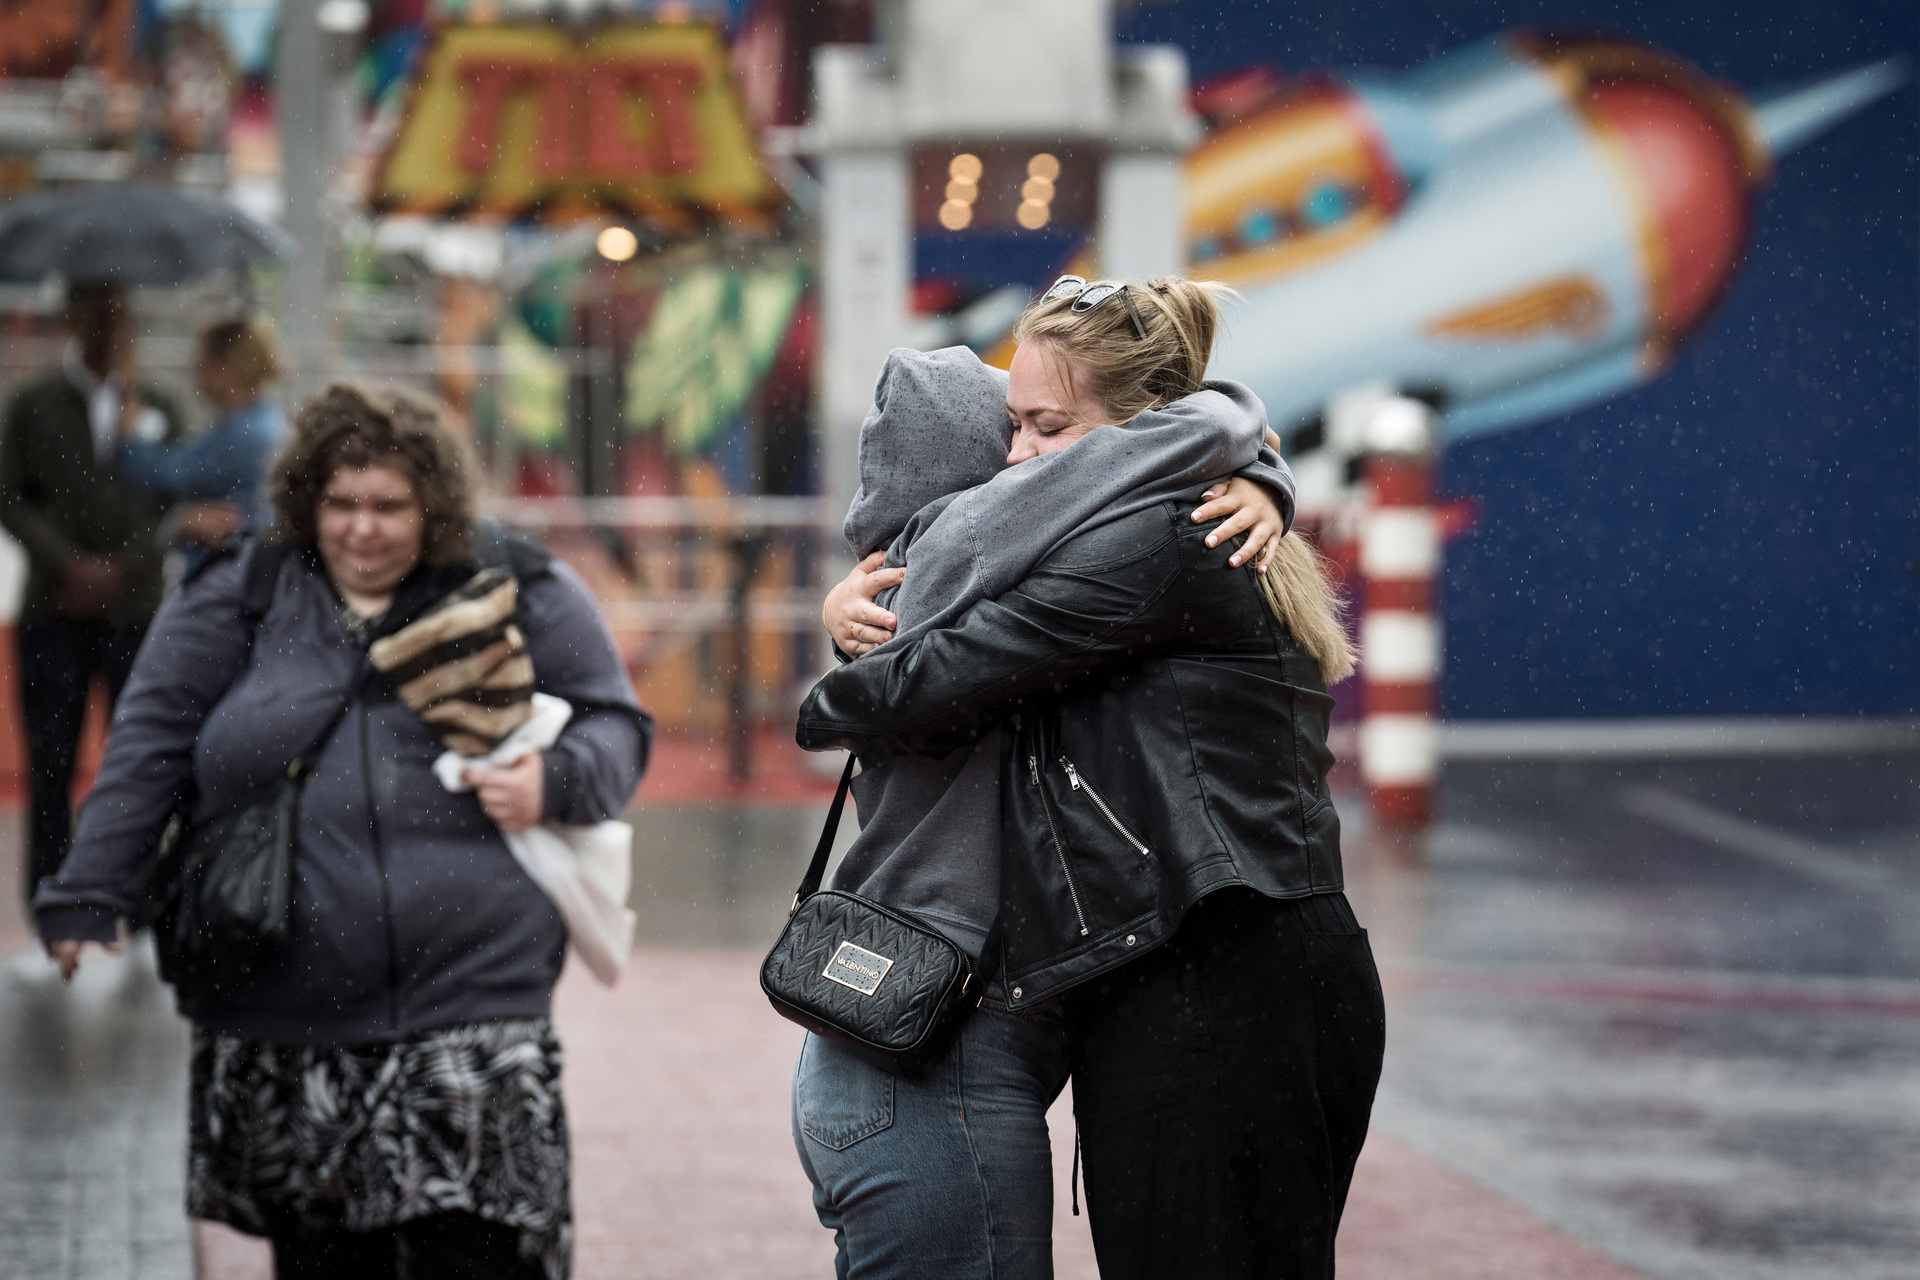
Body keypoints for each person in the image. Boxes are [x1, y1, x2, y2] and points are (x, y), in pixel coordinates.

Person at [801, 277, 1381, 1279]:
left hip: (1221, 975)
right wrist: (1259, 461)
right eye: (1010, 427)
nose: (1018, 458)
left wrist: (830, 682)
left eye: (1044, 427)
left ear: (1135, 439)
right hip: (1210, 967)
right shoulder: (1185, 510)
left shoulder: (1164, 535)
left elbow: (920, 682)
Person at [32, 383, 652, 1280]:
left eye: (389, 507)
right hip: (289, 1015)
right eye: (342, 505)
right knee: (326, 1263)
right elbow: (149, 745)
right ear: (307, 503)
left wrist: (554, 779)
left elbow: (615, 724)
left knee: (482, 1256)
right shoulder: (241, 592)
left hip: (471, 1016)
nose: (363, 530)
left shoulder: (517, 584)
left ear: (431, 506)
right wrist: (89, 891)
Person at [0, 281, 178, 916]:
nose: (107, 323)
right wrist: (65, 564)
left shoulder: (156, 405)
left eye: (118, 309)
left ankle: (139, 911)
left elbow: (175, 503)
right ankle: (51, 905)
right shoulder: (34, 405)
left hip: (135, 613)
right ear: (73, 316)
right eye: (95, 308)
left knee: (140, 767)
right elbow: (10, 496)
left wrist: (123, 566)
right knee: (51, 764)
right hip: (55, 613)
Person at [117, 315, 289, 556]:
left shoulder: (244, 433)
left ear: (224, 370)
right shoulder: (260, 420)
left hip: (234, 565)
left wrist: (133, 432)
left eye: (201, 361)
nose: (193, 369)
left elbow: (166, 474)